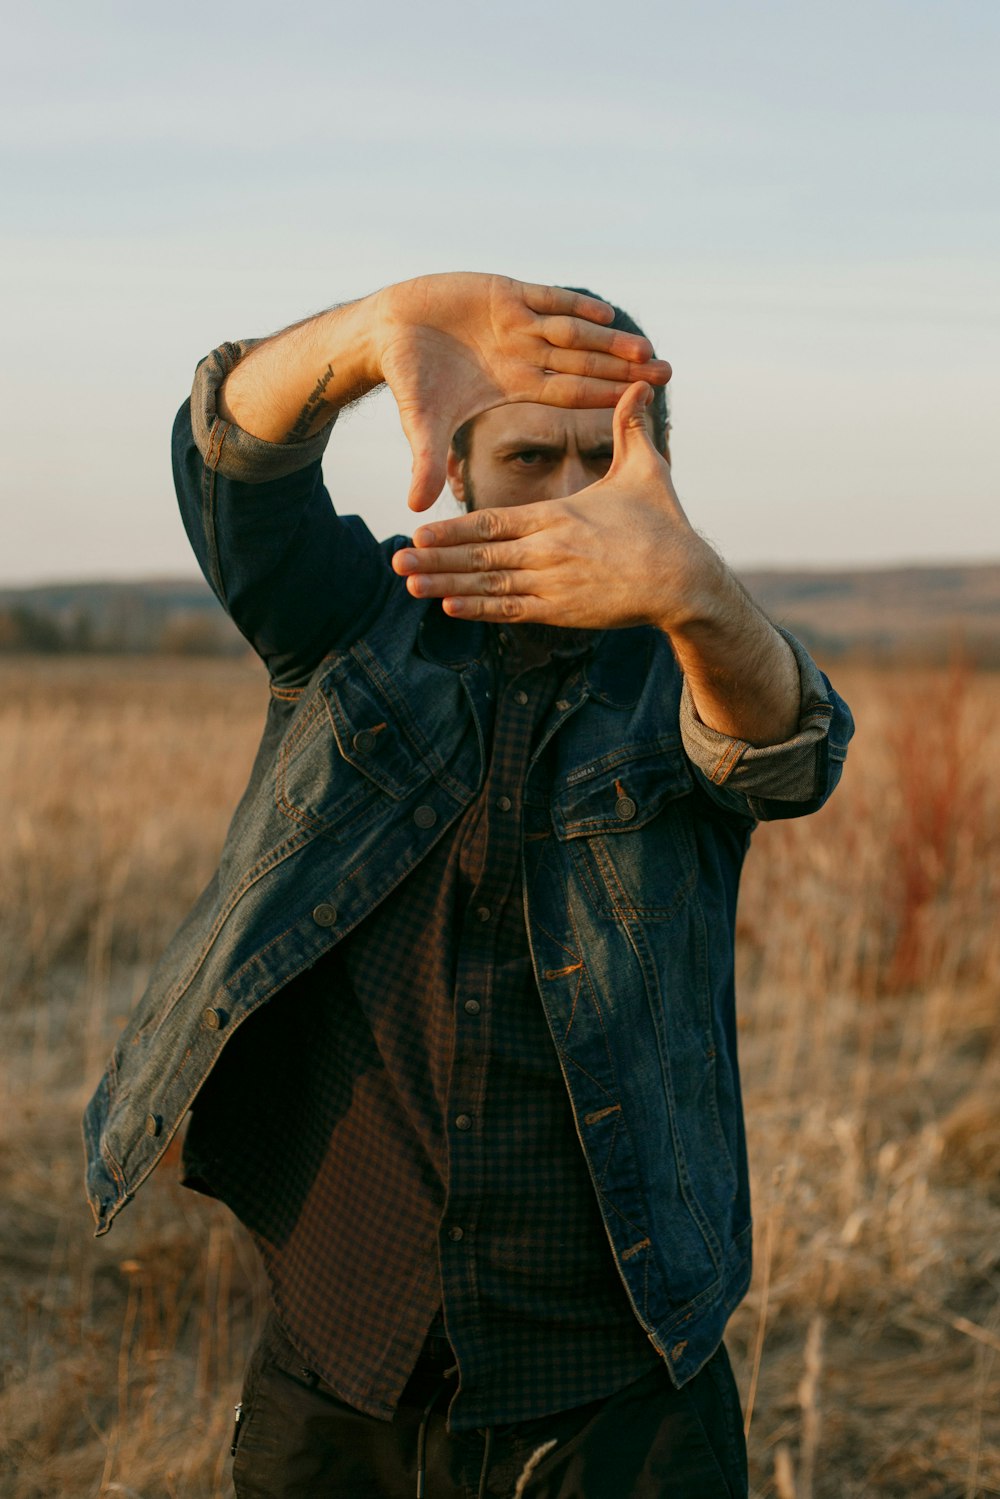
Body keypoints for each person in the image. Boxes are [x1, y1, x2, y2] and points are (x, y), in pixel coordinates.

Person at [83, 272, 854, 1498]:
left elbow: (789, 751)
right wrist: (375, 329)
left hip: (613, 1381)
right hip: (343, 1353)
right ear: (455, 469)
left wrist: (699, 594)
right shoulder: (356, 621)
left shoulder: (691, 666)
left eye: (594, 466)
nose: (559, 501)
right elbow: (230, 458)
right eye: (526, 457)